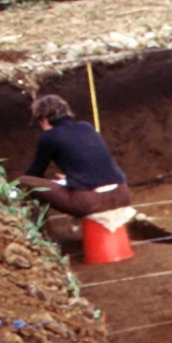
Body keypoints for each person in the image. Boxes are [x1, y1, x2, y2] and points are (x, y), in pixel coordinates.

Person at [20, 93, 133, 245]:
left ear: (44, 119)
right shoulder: (87, 127)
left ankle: (48, 242)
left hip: (89, 201)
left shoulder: (48, 137)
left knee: (26, 182)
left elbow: (36, 172)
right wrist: (69, 179)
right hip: (122, 193)